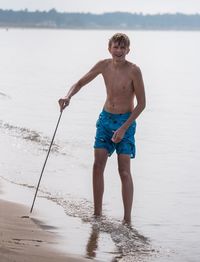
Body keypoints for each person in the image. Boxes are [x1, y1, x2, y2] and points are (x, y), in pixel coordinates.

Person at [58, 33, 146, 224]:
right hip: (105, 120)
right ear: (109, 48)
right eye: (116, 47)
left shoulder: (134, 71)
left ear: (128, 50)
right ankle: (97, 215)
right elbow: (80, 82)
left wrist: (123, 128)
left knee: (124, 171)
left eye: (123, 48)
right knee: (98, 165)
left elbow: (142, 104)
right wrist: (67, 96)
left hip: (126, 123)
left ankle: (127, 221)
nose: (119, 51)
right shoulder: (103, 65)